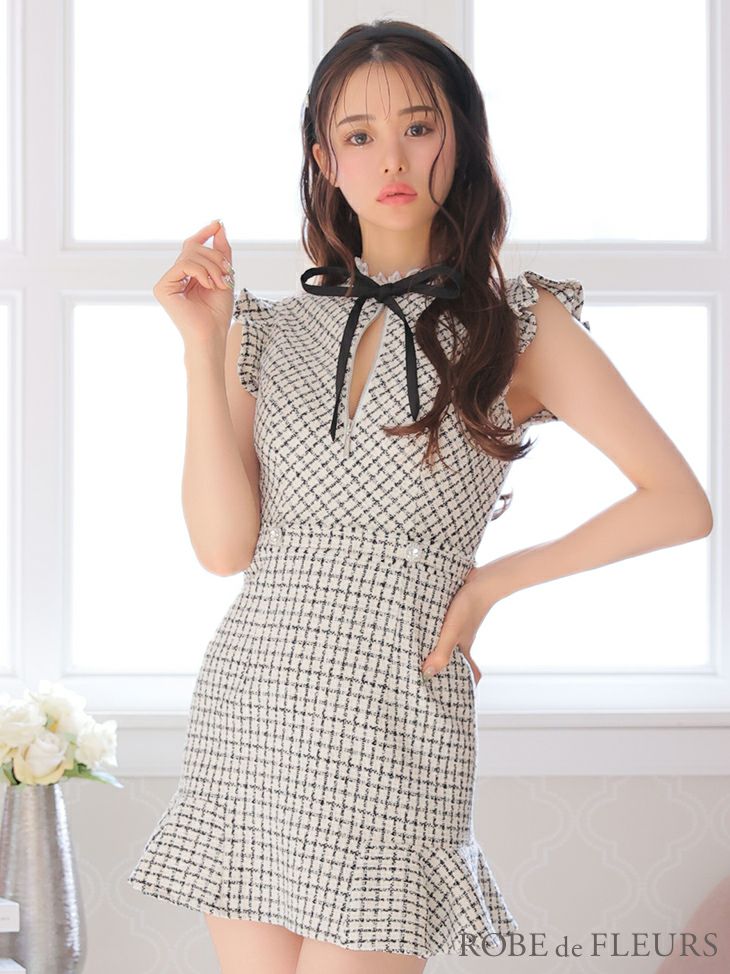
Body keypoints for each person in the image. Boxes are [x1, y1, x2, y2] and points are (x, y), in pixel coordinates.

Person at [127, 19, 714, 974]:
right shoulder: (267, 331)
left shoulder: (519, 323)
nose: (391, 159)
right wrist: (201, 347)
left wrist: (487, 585)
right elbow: (225, 548)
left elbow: (679, 502)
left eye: (418, 127)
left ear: (461, 141)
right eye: (358, 135)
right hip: (255, 701)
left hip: (395, 707)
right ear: (325, 161)